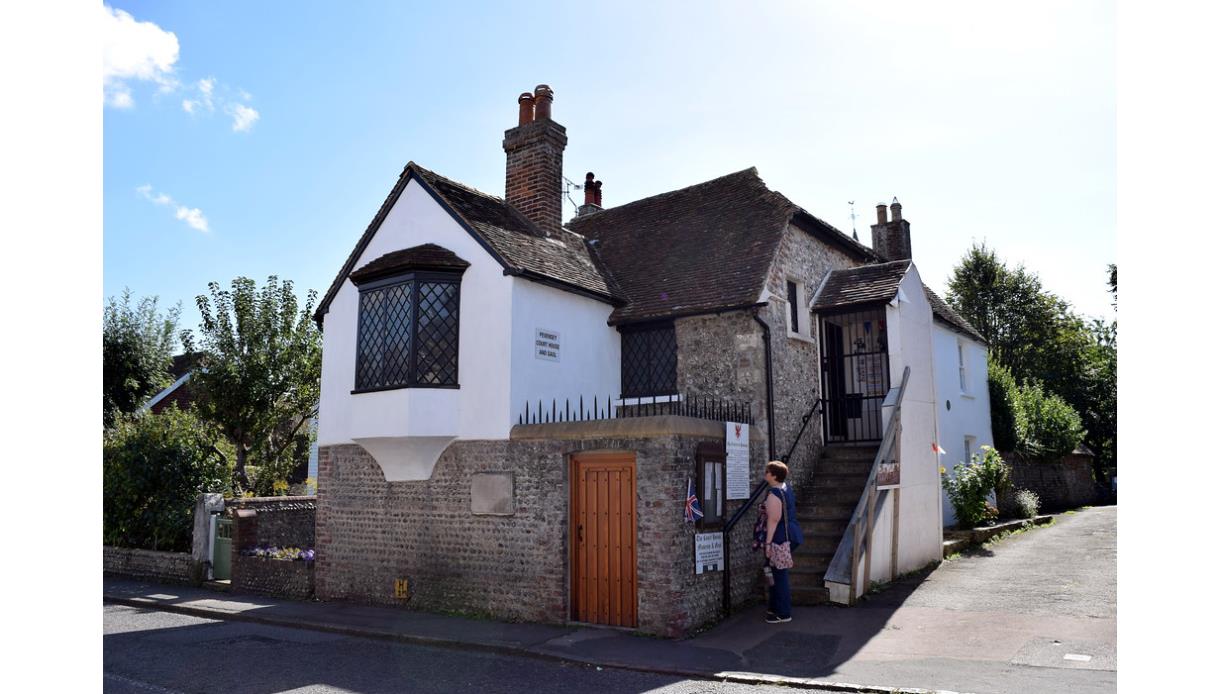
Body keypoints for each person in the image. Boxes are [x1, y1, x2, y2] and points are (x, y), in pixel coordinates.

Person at [763, 460, 793, 623]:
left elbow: (773, 520)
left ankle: (783, 612)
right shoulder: (786, 489)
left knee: (779, 576)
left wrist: (768, 544)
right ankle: (774, 610)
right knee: (775, 574)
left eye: (768, 472)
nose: (765, 474)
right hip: (786, 536)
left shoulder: (774, 494)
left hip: (778, 539)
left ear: (774, 476)